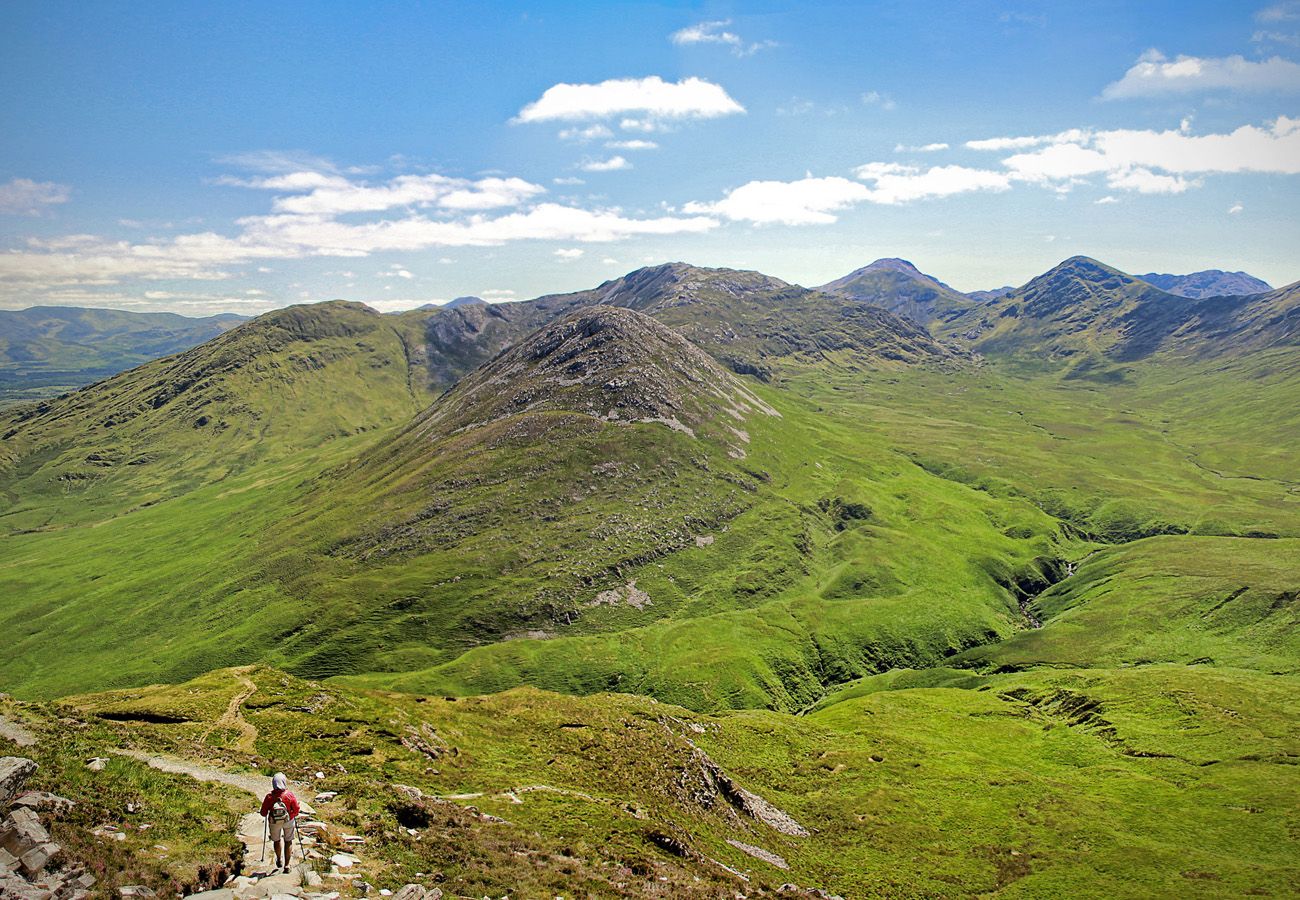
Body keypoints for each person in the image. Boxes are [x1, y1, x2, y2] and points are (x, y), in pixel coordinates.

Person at [259, 772, 301, 873]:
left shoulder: (269, 796)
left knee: (276, 840)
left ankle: (279, 859)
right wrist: (292, 814)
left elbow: (263, 813)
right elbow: (296, 810)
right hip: (288, 820)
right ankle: (287, 865)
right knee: (288, 841)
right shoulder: (289, 795)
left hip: (274, 822)